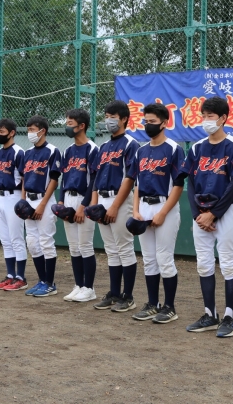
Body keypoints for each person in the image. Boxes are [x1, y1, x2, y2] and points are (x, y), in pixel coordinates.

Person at [181, 96, 233, 338]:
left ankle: (230, 317)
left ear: (223, 118)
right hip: (200, 214)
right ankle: (210, 315)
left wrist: (213, 214)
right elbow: (190, 183)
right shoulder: (197, 147)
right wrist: (198, 215)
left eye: (210, 116)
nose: (206, 120)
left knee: (228, 263)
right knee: (203, 263)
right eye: (203, 116)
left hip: (224, 211)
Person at [130, 103, 186, 324]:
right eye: (146, 121)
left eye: (152, 121)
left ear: (164, 123)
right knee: (149, 259)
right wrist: (135, 210)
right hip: (144, 206)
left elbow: (178, 185)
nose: (148, 125)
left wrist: (162, 213)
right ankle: (152, 304)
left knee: (164, 258)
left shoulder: (174, 149)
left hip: (165, 206)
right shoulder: (141, 151)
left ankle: (169, 307)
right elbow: (136, 184)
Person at [90, 100, 140, 313]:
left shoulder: (131, 144)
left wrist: (115, 207)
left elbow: (130, 179)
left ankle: (128, 297)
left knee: (124, 248)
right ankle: (114, 293)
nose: (108, 120)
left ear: (124, 119)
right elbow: (96, 176)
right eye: (107, 116)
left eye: (113, 117)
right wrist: (94, 205)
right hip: (102, 199)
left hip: (120, 200)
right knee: (111, 250)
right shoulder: (103, 146)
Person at [57, 109, 99, 302]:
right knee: (74, 247)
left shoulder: (92, 149)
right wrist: (60, 202)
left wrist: (83, 206)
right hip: (68, 198)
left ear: (82, 126)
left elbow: (94, 181)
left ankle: (89, 288)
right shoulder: (67, 150)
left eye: (70, 123)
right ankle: (78, 285)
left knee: (85, 246)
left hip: (84, 199)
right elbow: (64, 178)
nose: (67, 126)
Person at [21, 115, 62, 297]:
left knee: (46, 241)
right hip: (29, 200)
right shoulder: (28, 152)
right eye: (28, 129)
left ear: (42, 130)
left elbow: (54, 179)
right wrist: (23, 201)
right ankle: (42, 280)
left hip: (43, 200)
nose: (29, 132)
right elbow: (24, 178)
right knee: (32, 242)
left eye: (32, 129)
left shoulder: (52, 151)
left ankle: (50, 284)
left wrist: (43, 204)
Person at [0, 118, 28, 291]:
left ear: (12, 133)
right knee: (5, 240)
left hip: (14, 197)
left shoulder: (19, 152)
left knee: (16, 238)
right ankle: (10, 275)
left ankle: (21, 278)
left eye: (2, 131)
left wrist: (23, 200)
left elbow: (24, 178)